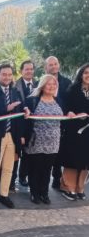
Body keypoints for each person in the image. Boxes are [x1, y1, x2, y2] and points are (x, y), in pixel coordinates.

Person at [0, 63, 29, 209]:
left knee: (9, 168)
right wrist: (6, 109)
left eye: (9, 74)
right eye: (4, 74)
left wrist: (25, 110)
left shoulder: (16, 92)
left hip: (12, 136)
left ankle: (4, 195)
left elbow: (20, 113)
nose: (7, 77)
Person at [24, 75, 64, 204]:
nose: (52, 86)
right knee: (35, 168)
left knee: (47, 169)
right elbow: (24, 118)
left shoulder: (59, 100)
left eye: (54, 84)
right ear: (42, 85)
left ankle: (44, 193)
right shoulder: (32, 100)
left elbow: (65, 115)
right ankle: (34, 193)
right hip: (36, 141)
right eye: (49, 84)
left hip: (53, 142)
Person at [60, 63, 89, 200]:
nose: (88, 75)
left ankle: (80, 188)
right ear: (81, 74)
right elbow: (65, 106)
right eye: (85, 72)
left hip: (88, 132)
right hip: (74, 131)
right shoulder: (72, 89)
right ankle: (68, 188)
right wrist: (69, 112)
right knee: (72, 159)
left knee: (85, 161)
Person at [44, 56, 72, 189]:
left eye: (55, 64)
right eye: (50, 65)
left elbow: (71, 102)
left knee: (59, 152)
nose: (53, 67)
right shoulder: (41, 82)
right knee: (45, 154)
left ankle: (56, 177)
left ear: (58, 65)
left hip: (62, 123)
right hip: (44, 124)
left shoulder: (67, 82)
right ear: (46, 68)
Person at [11, 60, 38, 190]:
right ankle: (11, 179)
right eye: (26, 69)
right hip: (18, 124)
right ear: (21, 71)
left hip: (34, 126)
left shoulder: (38, 85)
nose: (29, 71)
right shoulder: (15, 86)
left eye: (31, 69)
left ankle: (23, 176)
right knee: (16, 153)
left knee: (28, 154)